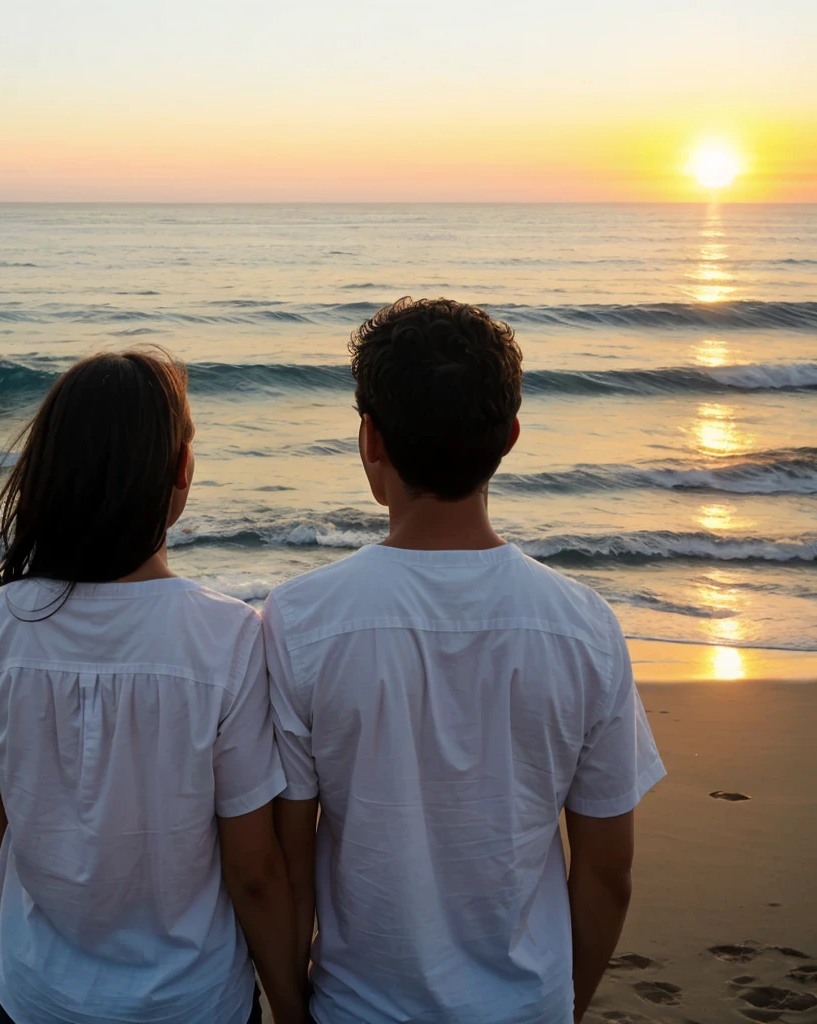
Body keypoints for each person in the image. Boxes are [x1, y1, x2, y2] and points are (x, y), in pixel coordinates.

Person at [265, 298, 666, 1024]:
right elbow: (607, 875)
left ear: (370, 440)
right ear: (511, 437)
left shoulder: (302, 621)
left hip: (359, 1008)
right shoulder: (583, 627)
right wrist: (560, 1007)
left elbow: (290, 868)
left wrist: (292, 1009)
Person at [0, 351, 304, 1024]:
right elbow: (254, 871)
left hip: (33, 996)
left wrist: (16, 972)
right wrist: (291, 1006)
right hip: (191, 1002)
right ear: (180, 475)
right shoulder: (224, 637)